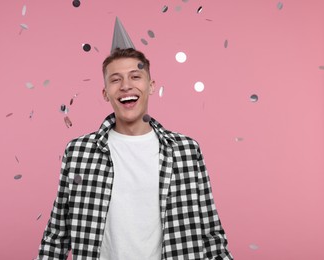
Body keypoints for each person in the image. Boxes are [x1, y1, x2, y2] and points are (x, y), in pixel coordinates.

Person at [37, 47, 233, 259]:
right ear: (105, 93)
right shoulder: (79, 152)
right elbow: (57, 235)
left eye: (135, 77)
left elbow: (211, 235)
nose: (126, 85)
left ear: (151, 86)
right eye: (115, 80)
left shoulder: (185, 150)